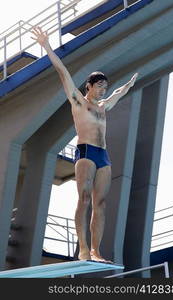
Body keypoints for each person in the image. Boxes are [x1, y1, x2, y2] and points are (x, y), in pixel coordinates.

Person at [31, 27, 138, 262]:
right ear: (88, 86)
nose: (103, 91)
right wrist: (47, 46)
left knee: (100, 203)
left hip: (103, 155)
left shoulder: (103, 107)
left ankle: (96, 251)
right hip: (86, 152)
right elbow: (62, 72)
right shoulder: (78, 102)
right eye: (99, 86)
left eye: (105, 87)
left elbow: (119, 93)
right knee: (85, 199)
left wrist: (129, 85)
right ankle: (82, 249)